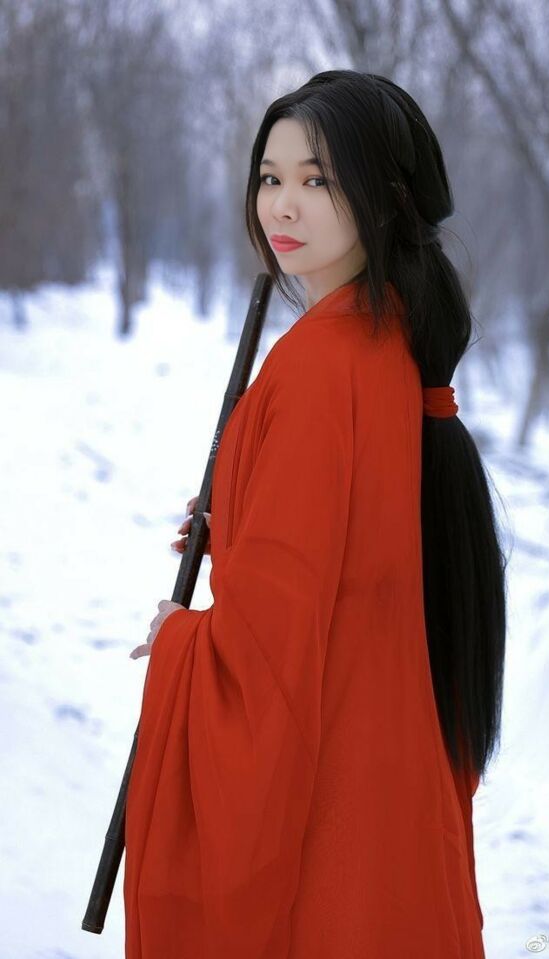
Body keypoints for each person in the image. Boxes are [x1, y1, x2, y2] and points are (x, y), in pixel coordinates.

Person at [124, 69, 507, 959]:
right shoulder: (386, 341)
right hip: (387, 788)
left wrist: (180, 639)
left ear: (388, 196)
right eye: (270, 177)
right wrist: (242, 508)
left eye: (318, 179)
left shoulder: (317, 370)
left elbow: (265, 658)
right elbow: (355, 550)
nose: (282, 205)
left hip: (330, 823)